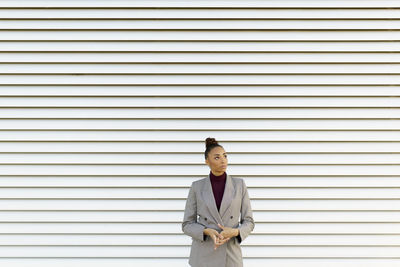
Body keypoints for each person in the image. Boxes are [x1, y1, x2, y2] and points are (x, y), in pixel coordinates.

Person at [182, 137, 255, 267]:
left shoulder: (239, 185)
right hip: (203, 255)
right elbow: (187, 224)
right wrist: (206, 231)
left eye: (225, 156)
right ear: (206, 161)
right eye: (217, 157)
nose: (223, 160)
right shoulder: (197, 187)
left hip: (230, 254)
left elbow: (249, 221)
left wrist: (235, 232)